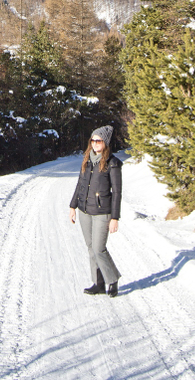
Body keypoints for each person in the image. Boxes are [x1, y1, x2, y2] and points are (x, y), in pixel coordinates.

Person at [69, 125, 122, 297]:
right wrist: (73, 206)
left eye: (98, 140)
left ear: (105, 142)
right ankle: (98, 283)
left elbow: (117, 192)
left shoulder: (112, 163)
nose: (95, 143)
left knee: (99, 249)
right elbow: (80, 184)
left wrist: (115, 217)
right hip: (85, 210)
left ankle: (112, 280)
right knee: (91, 248)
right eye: (93, 140)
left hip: (102, 212)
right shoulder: (87, 159)